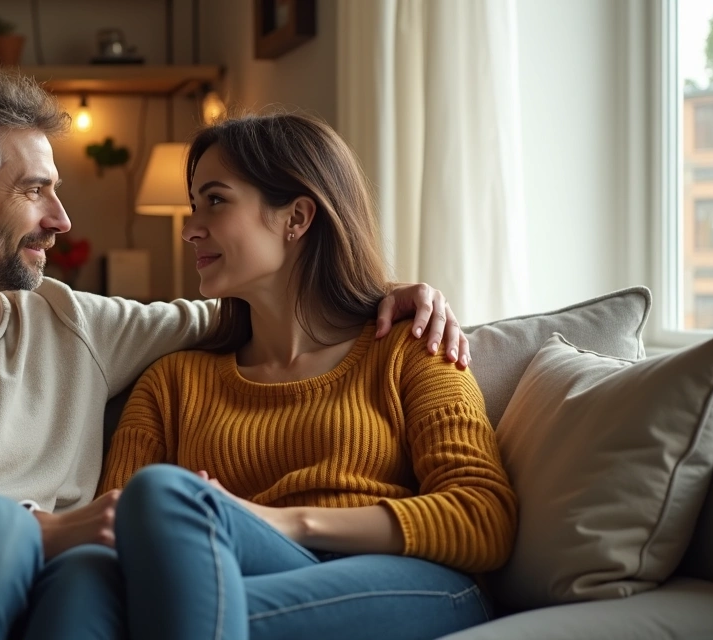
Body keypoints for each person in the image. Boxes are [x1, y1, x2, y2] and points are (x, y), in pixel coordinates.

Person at [0, 69, 471, 640]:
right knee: (3, 533)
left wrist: (381, 295)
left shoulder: (72, 322)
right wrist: (39, 527)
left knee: (86, 577)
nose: (62, 220)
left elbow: (260, 307)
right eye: (35, 191)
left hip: (39, 578)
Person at [98, 113, 517, 640]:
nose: (189, 229)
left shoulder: (410, 348)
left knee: (172, 580)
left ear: (296, 217)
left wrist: (283, 519)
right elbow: (109, 536)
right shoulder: (172, 383)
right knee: (138, 526)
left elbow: (482, 515)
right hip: (243, 578)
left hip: (408, 581)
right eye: (193, 205)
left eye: (215, 201)